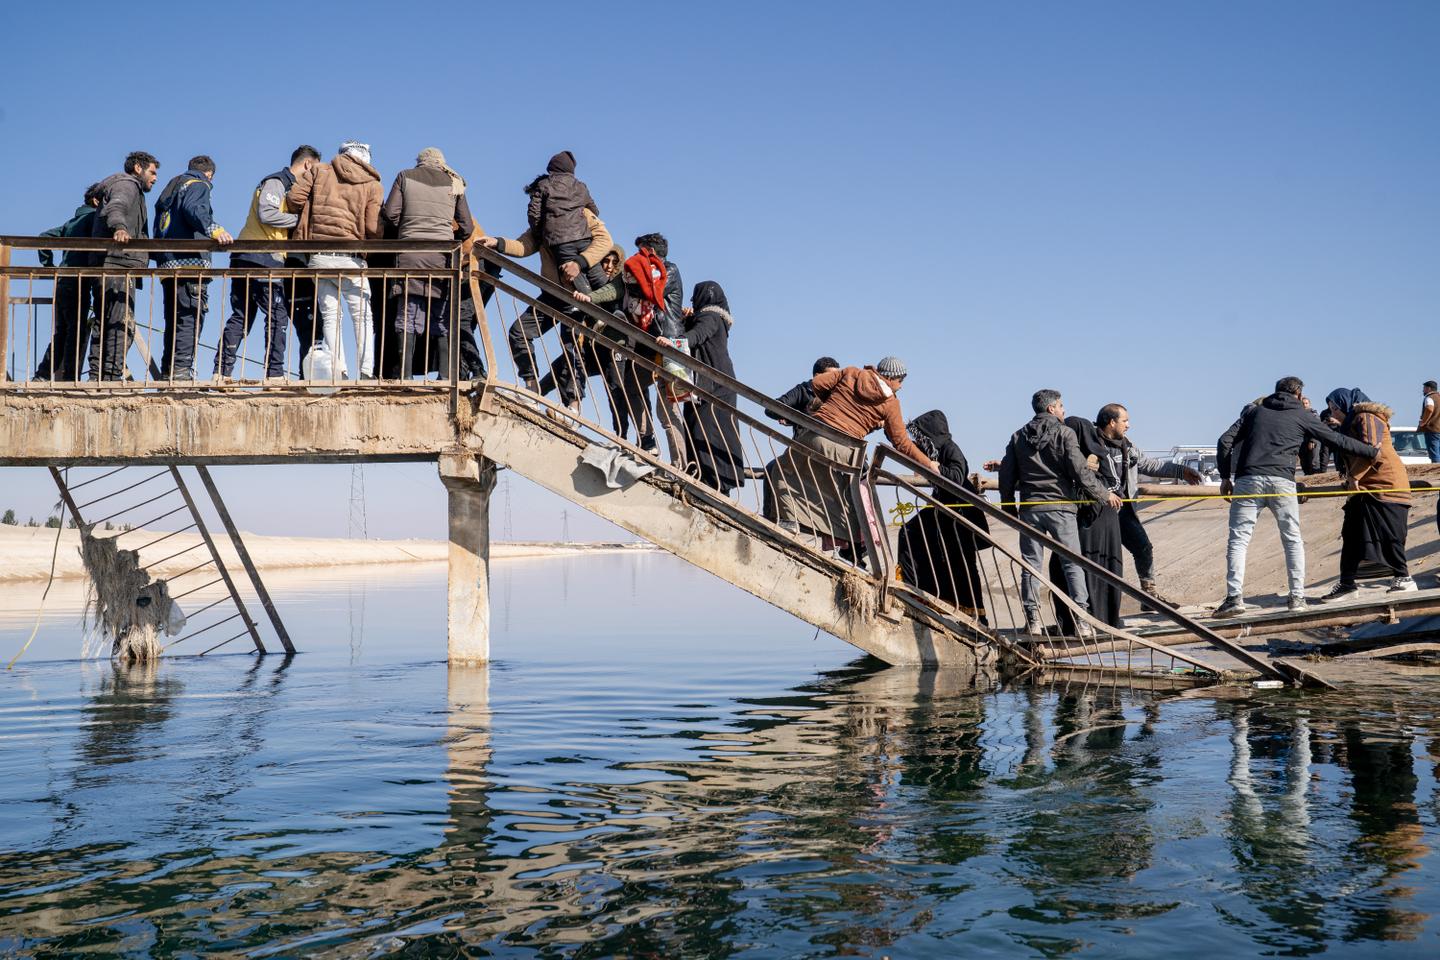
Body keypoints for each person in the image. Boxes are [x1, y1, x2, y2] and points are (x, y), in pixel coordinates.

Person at [1213, 376, 1377, 617]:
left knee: (1239, 541)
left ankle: (1234, 599)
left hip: (1248, 481)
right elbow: (1336, 440)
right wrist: (1371, 451)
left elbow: (1224, 441)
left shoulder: (1254, 412)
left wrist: (1226, 476)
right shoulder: (1302, 415)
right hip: (1282, 482)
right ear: (1299, 395)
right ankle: (1297, 598)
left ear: (1276, 391)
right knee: (1292, 540)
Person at [771, 358, 936, 555]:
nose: (900, 387)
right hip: (847, 452)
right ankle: (853, 543)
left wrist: (832, 401)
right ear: (892, 378)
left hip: (815, 435)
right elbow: (901, 443)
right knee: (842, 495)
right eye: (900, 382)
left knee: (784, 471)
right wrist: (928, 464)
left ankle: (790, 521)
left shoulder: (851, 373)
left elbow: (816, 384)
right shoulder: (891, 403)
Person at [998, 389, 1119, 638]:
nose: (1064, 410)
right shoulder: (1065, 433)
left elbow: (1006, 475)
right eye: (1062, 406)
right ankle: (1082, 622)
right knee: (1072, 564)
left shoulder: (1018, 436)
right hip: (1062, 508)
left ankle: (1033, 620)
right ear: (1051, 408)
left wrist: (1009, 507)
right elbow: (1080, 471)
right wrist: (1104, 494)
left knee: (1030, 566)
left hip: (1030, 509)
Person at [481, 208, 615, 412]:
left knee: (572, 351)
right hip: (553, 294)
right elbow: (525, 245)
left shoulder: (581, 213)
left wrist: (580, 262)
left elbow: (605, 241)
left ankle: (573, 407)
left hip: (580, 294)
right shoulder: (543, 221)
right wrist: (497, 242)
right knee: (519, 332)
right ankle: (532, 391)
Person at [221, 145, 321, 380]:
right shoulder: (278, 182)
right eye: (314, 169)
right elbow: (267, 213)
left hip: (248, 256)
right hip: (262, 257)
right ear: (307, 164)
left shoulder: (283, 183)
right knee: (277, 315)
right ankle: (274, 374)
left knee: (241, 317)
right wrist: (300, 221)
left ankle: (221, 372)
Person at [287, 140, 383, 379]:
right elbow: (372, 226)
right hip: (352, 259)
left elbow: (294, 200)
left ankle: (338, 370)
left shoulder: (318, 171)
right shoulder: (372, 184)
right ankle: (366, 372)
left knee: (330, 316)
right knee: (362, 317)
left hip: (319, 257)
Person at [380, 147, 475, 378]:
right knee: (441, 315)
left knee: (409, 314)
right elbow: (467, 227)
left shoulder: (405, 176)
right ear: (441, 163)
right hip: (442, 259)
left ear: (420, 162)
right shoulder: (455, 182)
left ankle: (405, 375)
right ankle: (444, 377)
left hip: (410, 254)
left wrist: (405, 229)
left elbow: (390, 214)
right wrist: (451, 239)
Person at [1093, 403, 1201, 604]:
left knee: (1143, 548)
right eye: (1125, 420)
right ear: (1111, 422)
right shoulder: (1090, 444)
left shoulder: (1128, 445)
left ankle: (1149, 596)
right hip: (1099, 514)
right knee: (1102, 558)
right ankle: (1097, 604)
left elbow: (1149, 465)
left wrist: (1180, 471)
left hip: (1124, 511)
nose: (1128, 425)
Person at [1317, 388, 1416, 600]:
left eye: (1334, 408)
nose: (1333, 413)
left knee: (1390, 537)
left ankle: (1404, 578)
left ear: (1345, 404)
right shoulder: (1351, 422)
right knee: (1351, 535)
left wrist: (1354, 477)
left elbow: (1371, 450)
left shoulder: (1367, 416)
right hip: (1366, 490)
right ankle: (1347, 584)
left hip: (1386, 487)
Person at [896, 410, 991, 622]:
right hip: (944, 511)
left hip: (961, 514)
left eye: (921, 437)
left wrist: (937, 469)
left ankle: (978, 616)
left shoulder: (950, 448)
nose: (918, 441)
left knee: (963, 564)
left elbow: (957, 476)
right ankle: (915, 592)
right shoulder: (935, 452)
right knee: (910, 533)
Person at [153, 155, 232, 380]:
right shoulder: (198, 185)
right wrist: (215, 230)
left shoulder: (170, 189)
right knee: (190, 318)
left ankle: (168, 371)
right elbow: (194, 210)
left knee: (173, 320)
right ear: (209, 174)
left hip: (168, 265)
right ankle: (180, 374)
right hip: (191, 263)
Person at [1048, 416, 1125, 630]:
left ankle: (1098, 618)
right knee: (1063, 566)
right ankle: (1072, 620)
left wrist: (1093, 489)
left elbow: (1115, 483)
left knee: (1094, 564)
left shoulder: (1099, 453)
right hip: (1075, 516)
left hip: (1099, 517)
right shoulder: (1064, 455)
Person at [90, 151, 159, 381]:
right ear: (138, 168)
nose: (155, 178)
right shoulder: (127, 185)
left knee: (105, 322)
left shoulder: (119, 185)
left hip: (109, 265)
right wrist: (120, 227)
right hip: (118, 264)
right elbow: (117, 207)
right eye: (152, 172)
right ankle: (110, 378)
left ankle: (97, 376)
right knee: (119, 325)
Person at [681, 281, 744, 494]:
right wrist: (688, 320)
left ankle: (709, 484)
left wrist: (675, 341)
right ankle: (716, 484)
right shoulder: (718, 319)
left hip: (712, 387)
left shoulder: (709, 317)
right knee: (716, 433)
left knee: (704, 432)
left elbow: (697, 336)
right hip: (720, 384)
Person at [35, 184, 103, 381]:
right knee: (76, 330)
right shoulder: (93, 219)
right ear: (96, 201)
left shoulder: (71, 222)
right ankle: (69, 377)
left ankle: (43, 374)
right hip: (78, 280)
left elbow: (43, 237)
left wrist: (50, 266)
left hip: (63, 279)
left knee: (63, 331)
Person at [525, 150, 604, 295]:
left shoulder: (544, 184)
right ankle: (614, 309)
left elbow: (533, 213)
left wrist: (540, 232)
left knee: (573, 276)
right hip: (583, 236)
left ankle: (591, 311)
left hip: (559, 241)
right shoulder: (580, 186)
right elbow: (594, 211)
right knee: (596, 273)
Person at [767, 357, 840, 433]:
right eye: (831, 377)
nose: (835, 381)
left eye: (837, 377)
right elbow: (771, 409)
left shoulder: (839, 393)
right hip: (805, 442)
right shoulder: (803, 390)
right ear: (817, 376)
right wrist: (793, 418)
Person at [1420, 381, 1440, 463]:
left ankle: (1436, 471)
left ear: (1429, 388)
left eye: (1424, 388)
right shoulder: (1439, 397)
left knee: (1434, 452)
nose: (1423, 390)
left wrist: (1423, 422)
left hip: (1432, 428)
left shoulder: (1429, 397)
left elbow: (1429, 408)